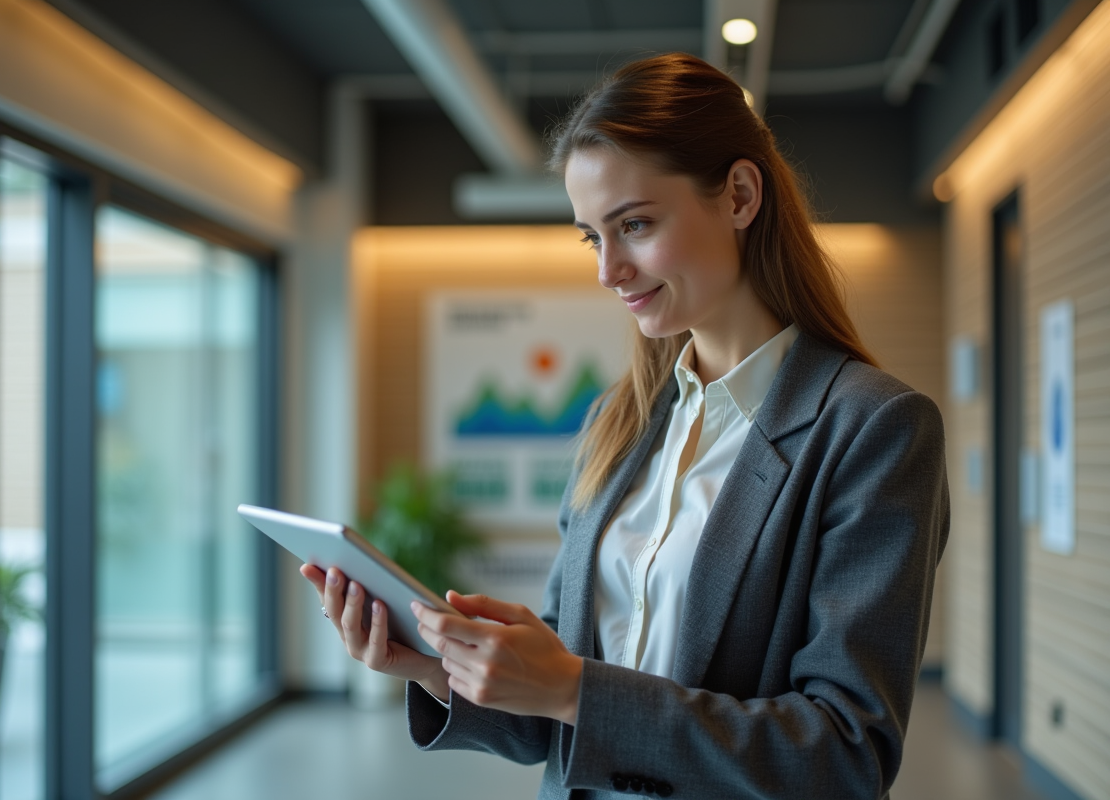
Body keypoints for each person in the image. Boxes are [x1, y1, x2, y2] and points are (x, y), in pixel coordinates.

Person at [302, 53, 948, 800]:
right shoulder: (622, 421)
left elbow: (844, 756)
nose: (609, 270)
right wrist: (434, 663)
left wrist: (576, 687)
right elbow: (558, 710)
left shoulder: (875, 430)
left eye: (634, 225)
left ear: (739, 195)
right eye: (591, 237)